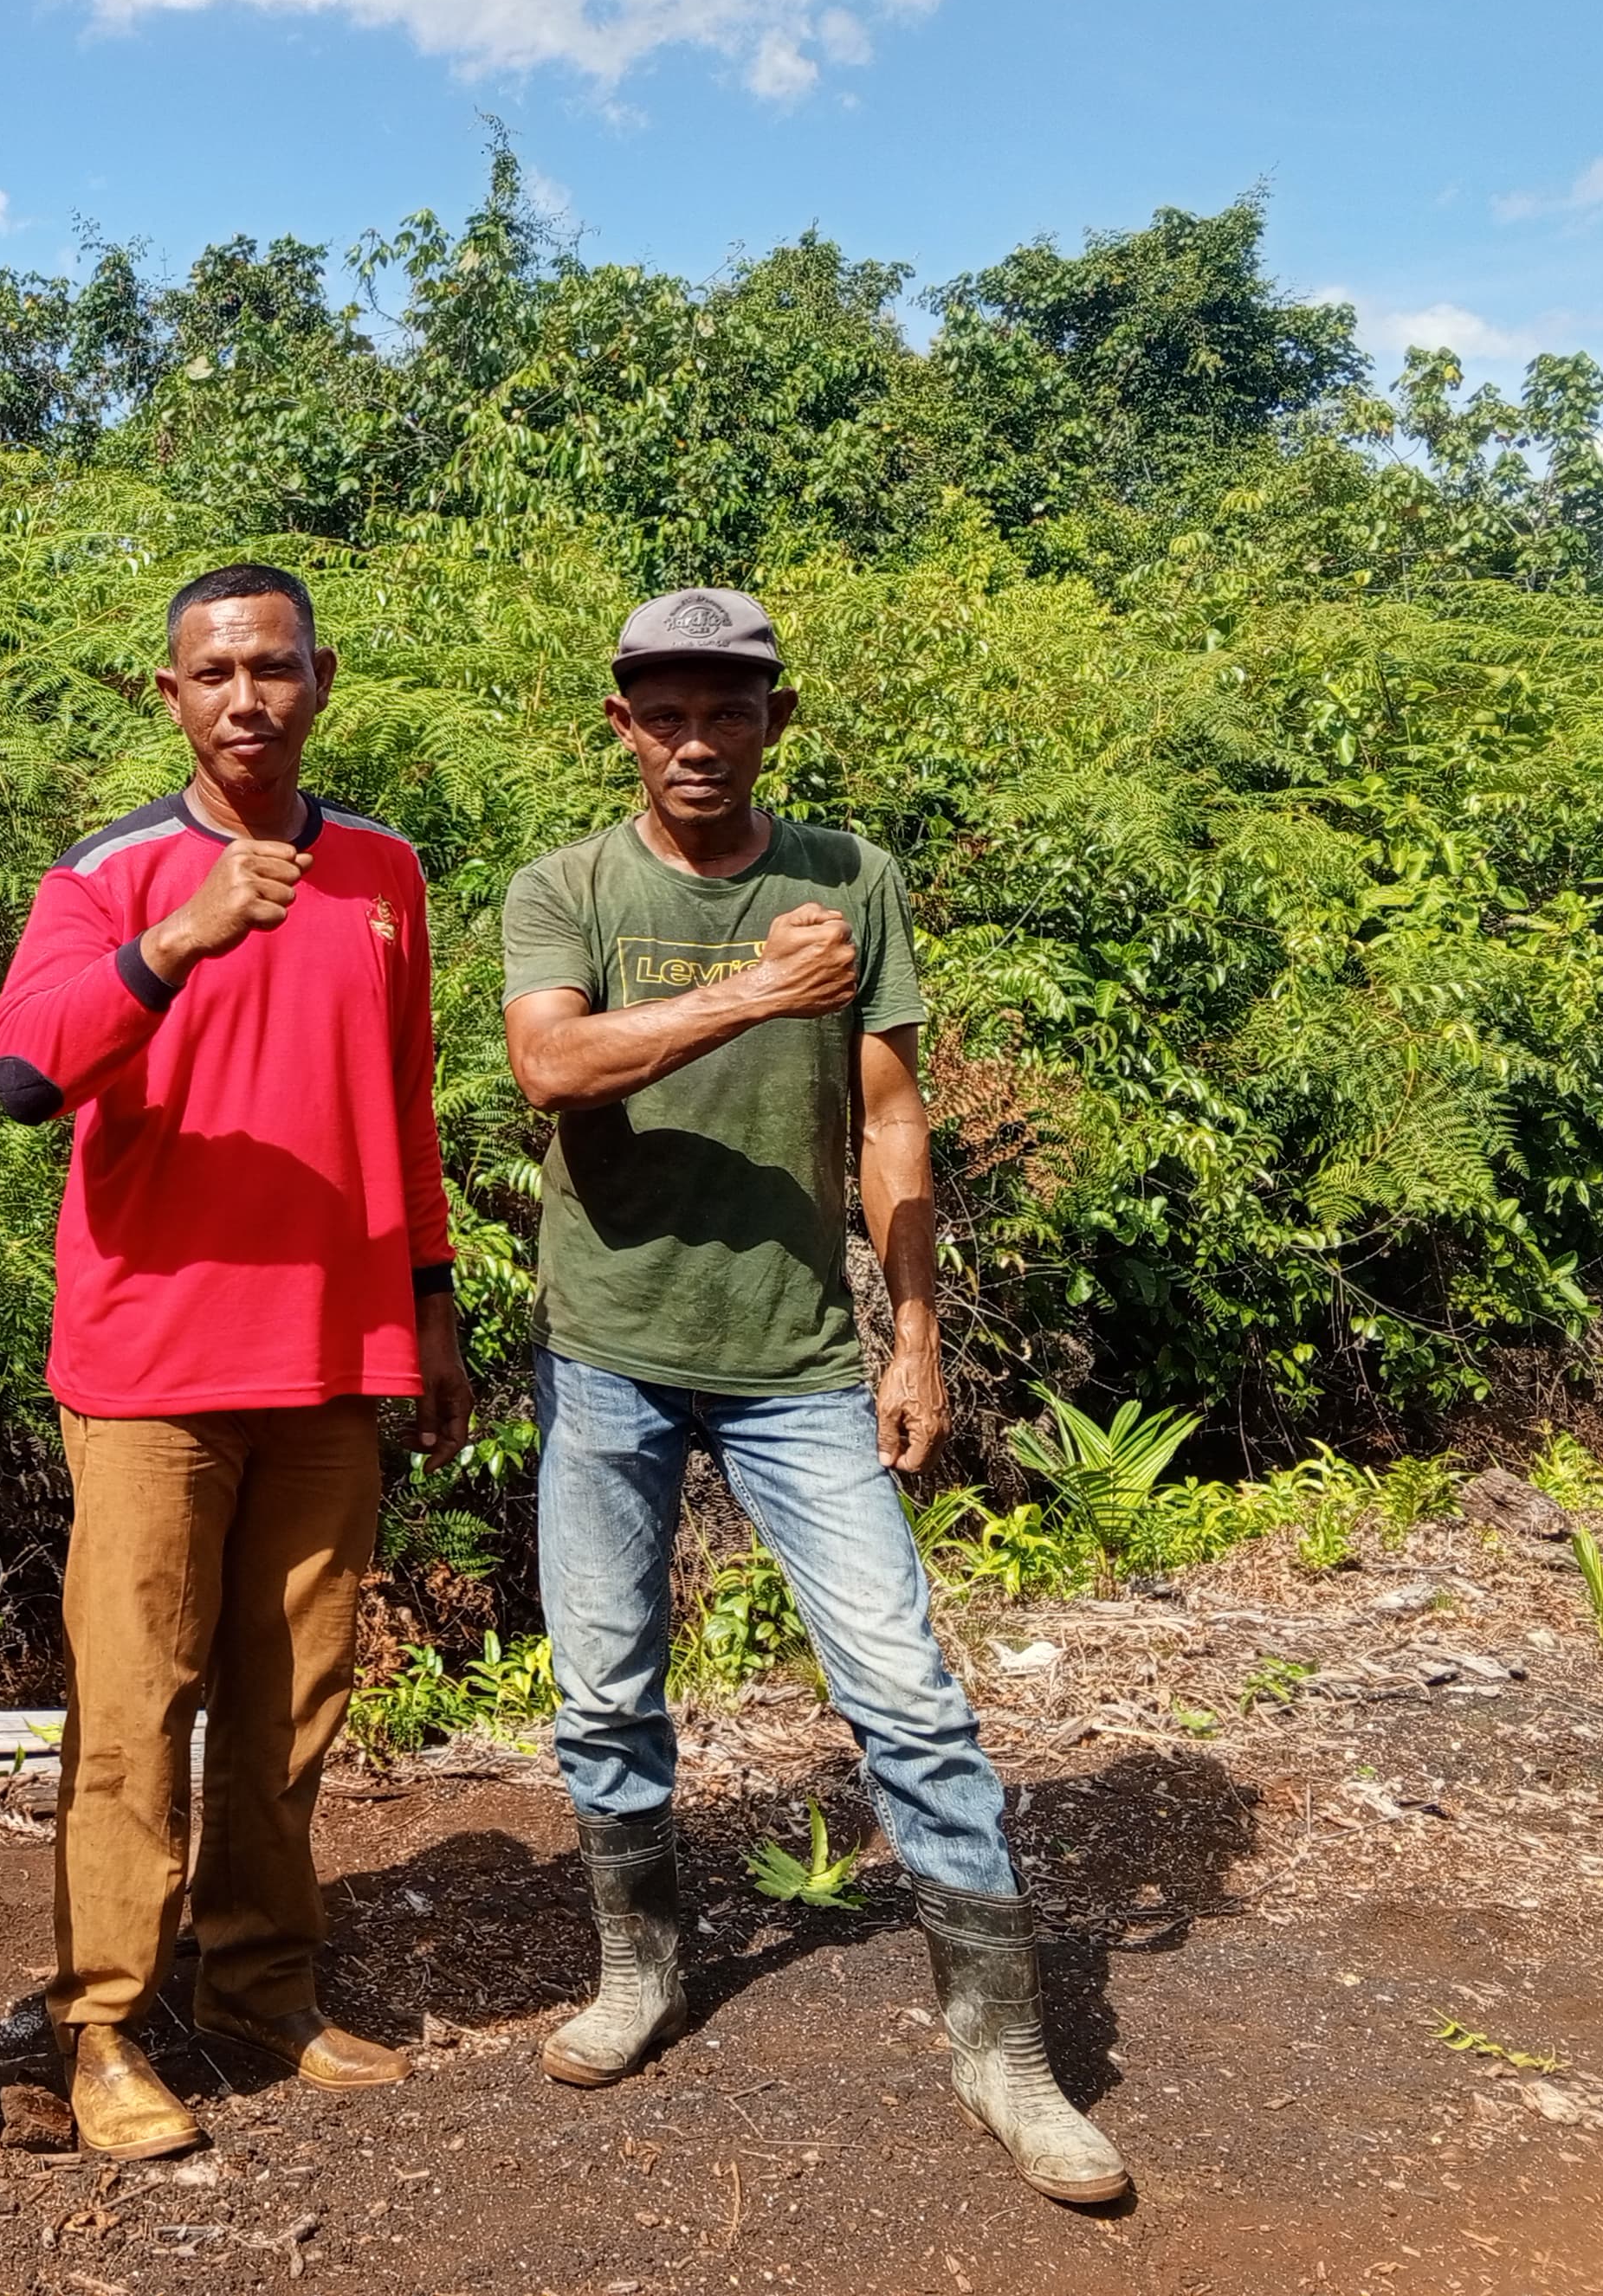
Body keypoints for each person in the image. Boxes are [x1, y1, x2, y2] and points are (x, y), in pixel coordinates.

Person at [497, 588, 1128, 2205]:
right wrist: (751, 996)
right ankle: (640, 1967)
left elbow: (894, 1118)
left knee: (909, 1693)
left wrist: (911, 1329)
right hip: (611, 1347)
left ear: (775, 721)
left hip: (796, 1363)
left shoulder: (854, 878)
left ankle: (1003, 2044)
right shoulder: (564, 886)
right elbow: (552, 1069)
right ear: (624, 727)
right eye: (667, 712)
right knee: (604, 1684)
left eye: (730, 709)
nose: (698, 740)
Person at [0, 563, 475, 2160]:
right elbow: (13, 1075)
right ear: (170, 696)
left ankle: (262, 1975)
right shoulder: (111, 872)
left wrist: (434, 1311)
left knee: (292, 1702)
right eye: (215, 672)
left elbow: (403, 1102)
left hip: (332, 1353)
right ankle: (104, 2025)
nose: (247, 697)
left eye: (274, 667)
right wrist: (174, 943)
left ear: (322, 678)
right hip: (150, 1366)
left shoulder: (388, 870)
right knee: (136, 1704)